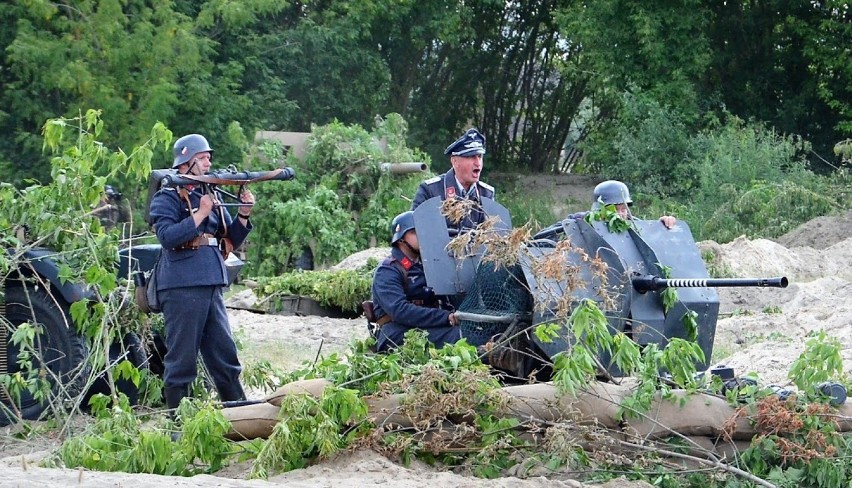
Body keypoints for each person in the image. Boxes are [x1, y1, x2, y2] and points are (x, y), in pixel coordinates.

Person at [148, 134, 255, 412]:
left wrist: (243, 215)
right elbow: (167, 237)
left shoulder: (211, 193)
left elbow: (228, 238)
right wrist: (198, 215)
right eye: (203, 157)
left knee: (224, 355)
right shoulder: (167, 195)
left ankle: (239, 413)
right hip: (182, 283)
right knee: (182, 359)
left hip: (210, 279)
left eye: (209, 157)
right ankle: (177, 421)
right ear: (188, 161)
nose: (209, 162)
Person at [370, 211, 460, 352]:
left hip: (423, 327)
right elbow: (400, 311)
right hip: (396, 333)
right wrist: (445, 317)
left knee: (468, 333)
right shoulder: (388, 270)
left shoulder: (426, 266)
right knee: (458, 337)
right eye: (415, 232)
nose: (422, 235)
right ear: (400, 239)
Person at [411, 128, 495, 233]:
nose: (478, 163)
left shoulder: (486, 194)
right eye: (471, 157)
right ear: (455, 161)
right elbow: (414, 231)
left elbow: (492, 236)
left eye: (479, 156)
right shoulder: (430, 190)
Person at [534, 180, 676, 240]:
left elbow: (648, 234)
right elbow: (543, 236)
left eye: (624, 209)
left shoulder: (630, 224)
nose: (621, 214)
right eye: (615, 209)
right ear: (601, 209)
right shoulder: (581, 220)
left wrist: (661, 225)